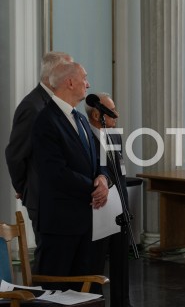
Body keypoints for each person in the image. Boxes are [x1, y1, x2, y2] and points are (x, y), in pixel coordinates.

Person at [31, 61, 110, 288]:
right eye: (84, 78)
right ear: (70, 82)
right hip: (60, 223)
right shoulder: (46, 120)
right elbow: (55, 172)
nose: (88, 83)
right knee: (56, 290)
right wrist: (94, 189)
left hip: (87, 220)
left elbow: (96, 160)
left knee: (83, 288)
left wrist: (103, 178)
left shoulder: (81, 119)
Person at [5, 51, 73, 269]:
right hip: (42, 198)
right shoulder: (32, 106)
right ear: (55, 74)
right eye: (69, 71)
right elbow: (15, 154)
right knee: (49, 263)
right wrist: (24, 188)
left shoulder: (51, 103)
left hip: (56, 198)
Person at [86, 92, 132, 307]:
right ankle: (95, 302)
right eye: (112, 111)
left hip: (119, 210)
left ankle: (122, 302)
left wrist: (125, 207)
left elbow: (120, 174)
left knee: (122, 261)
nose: (117, 114)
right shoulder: (84, 136)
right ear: (97, 114)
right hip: (98, 211)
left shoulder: (115, 136)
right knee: (95, 263)